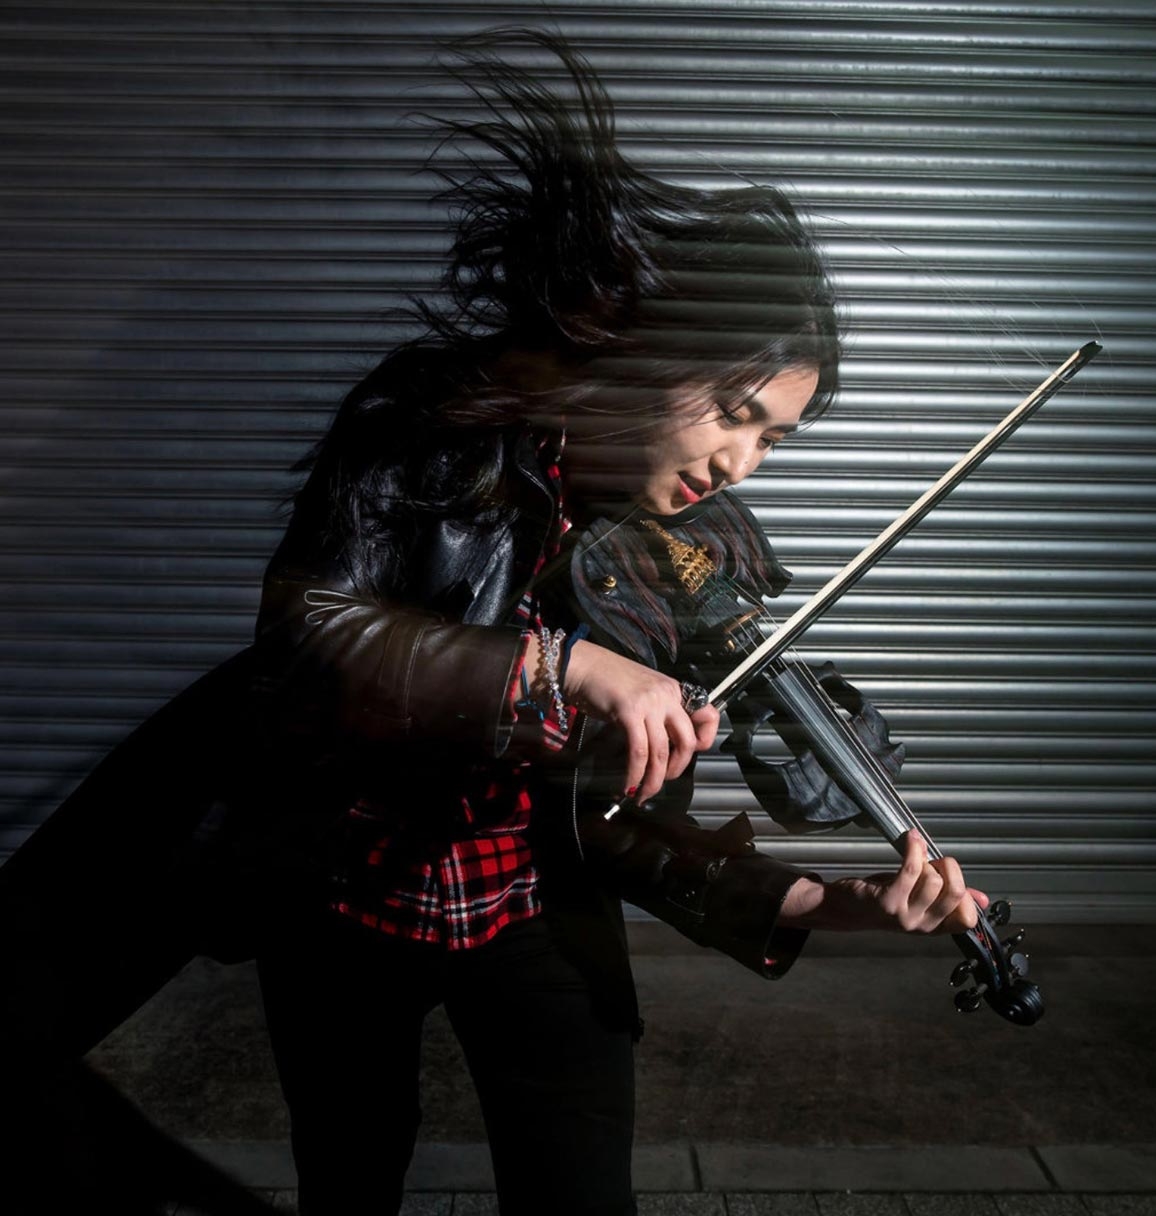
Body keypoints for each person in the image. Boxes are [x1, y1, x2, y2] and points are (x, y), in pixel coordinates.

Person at [0, 29, 985, 1216]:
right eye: (733, 413)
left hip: (529, 901)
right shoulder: (429, 423)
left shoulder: (684, 553)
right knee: (350, 1174)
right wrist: (557, 664)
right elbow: (309, 632)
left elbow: (622, 825)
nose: (740, 463)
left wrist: (828, 902)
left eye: (771, 440)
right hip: (346, 886)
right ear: (661, 351)